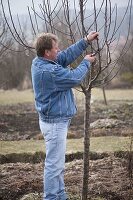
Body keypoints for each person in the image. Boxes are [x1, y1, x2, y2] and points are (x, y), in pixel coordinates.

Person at [31, 31, 99, 200]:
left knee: (57, 164)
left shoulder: (40, 61)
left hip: (54, 120)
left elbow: (65, 55)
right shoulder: (50, 71)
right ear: (47, 52)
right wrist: (85, 63)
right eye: (56, 48)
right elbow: (74, 77)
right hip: (54, 124)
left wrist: (85, 41)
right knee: (54, 165)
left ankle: (60, 195)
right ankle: (52, 197)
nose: (59, 50)